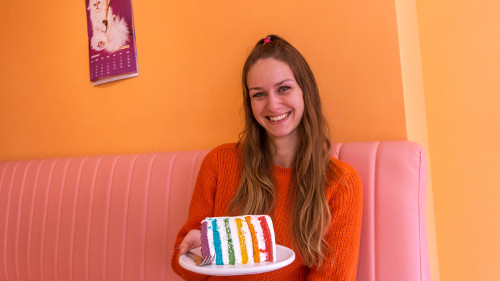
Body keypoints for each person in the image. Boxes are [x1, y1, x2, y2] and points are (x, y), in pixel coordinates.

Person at [171, 35, 363, 280]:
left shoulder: (340, 184)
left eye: (284, 88)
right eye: (259, 94)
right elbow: (183, 268)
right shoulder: (219, 163)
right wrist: (199, 251)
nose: (273, 105)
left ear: (306, 91)